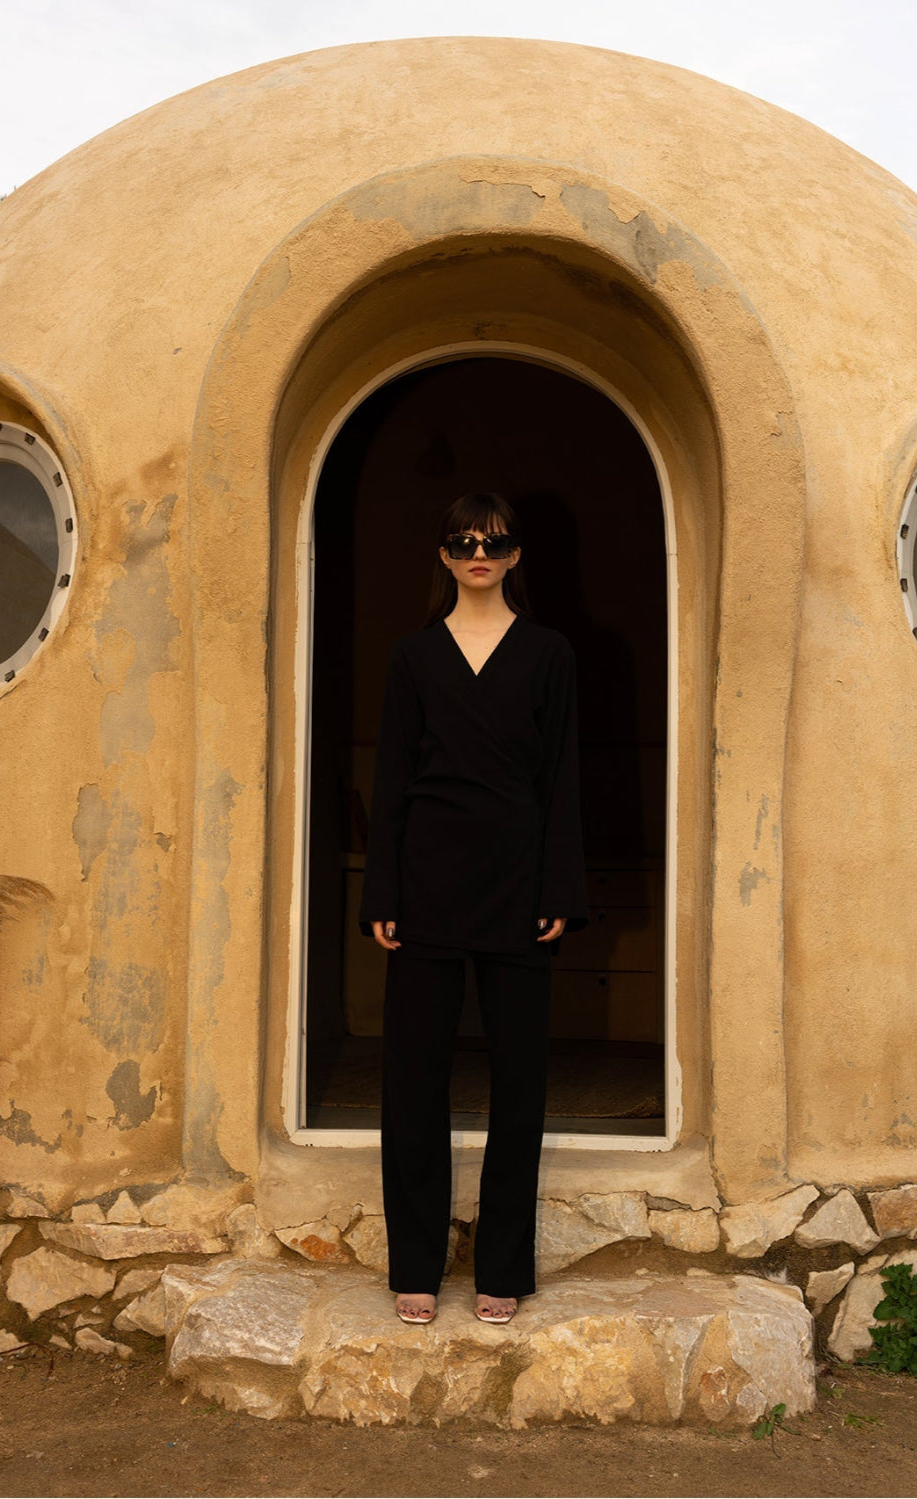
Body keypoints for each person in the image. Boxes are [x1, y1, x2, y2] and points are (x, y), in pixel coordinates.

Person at [359, 491, 588, 1326]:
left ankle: (503, 1267)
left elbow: (562, 778)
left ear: (515, 554)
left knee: (519, 1083)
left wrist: (560, 888)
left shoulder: (550, 653)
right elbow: (391, 780)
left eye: (492, 542)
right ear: (445, 555)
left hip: (519, 887)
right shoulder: (413, 657)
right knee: (412, 1082)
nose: (478, 554)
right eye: (462, 542)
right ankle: (415, 1265)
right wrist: (382, 890)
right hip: (425, 884)